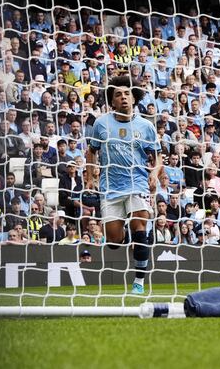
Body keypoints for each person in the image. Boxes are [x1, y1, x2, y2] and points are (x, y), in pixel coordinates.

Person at [85, 74, 162, 295]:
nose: (124, 97)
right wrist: (90, 178)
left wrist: (154, 173)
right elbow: (91, 151)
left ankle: (138, 281)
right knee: (114, 241)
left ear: (134, 98)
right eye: (118, 95)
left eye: (127, 93)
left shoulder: (145, 126)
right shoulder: (101, 124)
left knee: (140, 229)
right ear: (112, 101)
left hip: (137, 183)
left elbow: (157, 157)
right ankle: (126, 236)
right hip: (110, 187)